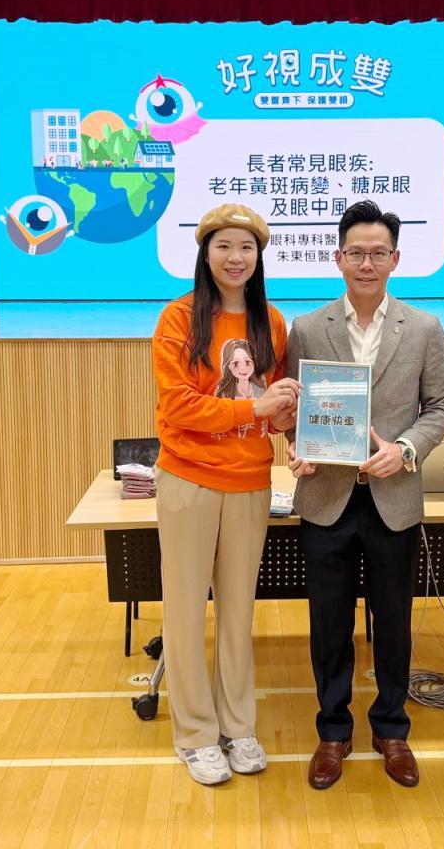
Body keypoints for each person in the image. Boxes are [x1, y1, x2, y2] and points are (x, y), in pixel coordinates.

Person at [286, 199, 444, 790]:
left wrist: (404, 450)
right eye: (356, 252)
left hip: (393, 497)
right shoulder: (308, 328)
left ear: (395, 259)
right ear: (337, 257)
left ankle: (392, 728)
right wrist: (298, 444)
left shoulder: (425, 328)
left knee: (394, 622)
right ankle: (333, 730)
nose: (366, 263)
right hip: (326, 496)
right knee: (328, 622)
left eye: (377, 253)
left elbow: (442, 407)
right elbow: (293, 411)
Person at [152, 204, 300, 786]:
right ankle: (194, 734)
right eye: (224, 246)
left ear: (258, 256)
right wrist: (255, 408)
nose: (236, 258)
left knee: (238, 612)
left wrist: (294, 418)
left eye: (246, 247)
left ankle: (238, 726)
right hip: (188, 479)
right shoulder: (178, 318)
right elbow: (178, 406)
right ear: (205, 253)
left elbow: (275, 409)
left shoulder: (272, 322)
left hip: (250, 482)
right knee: (186, 611)